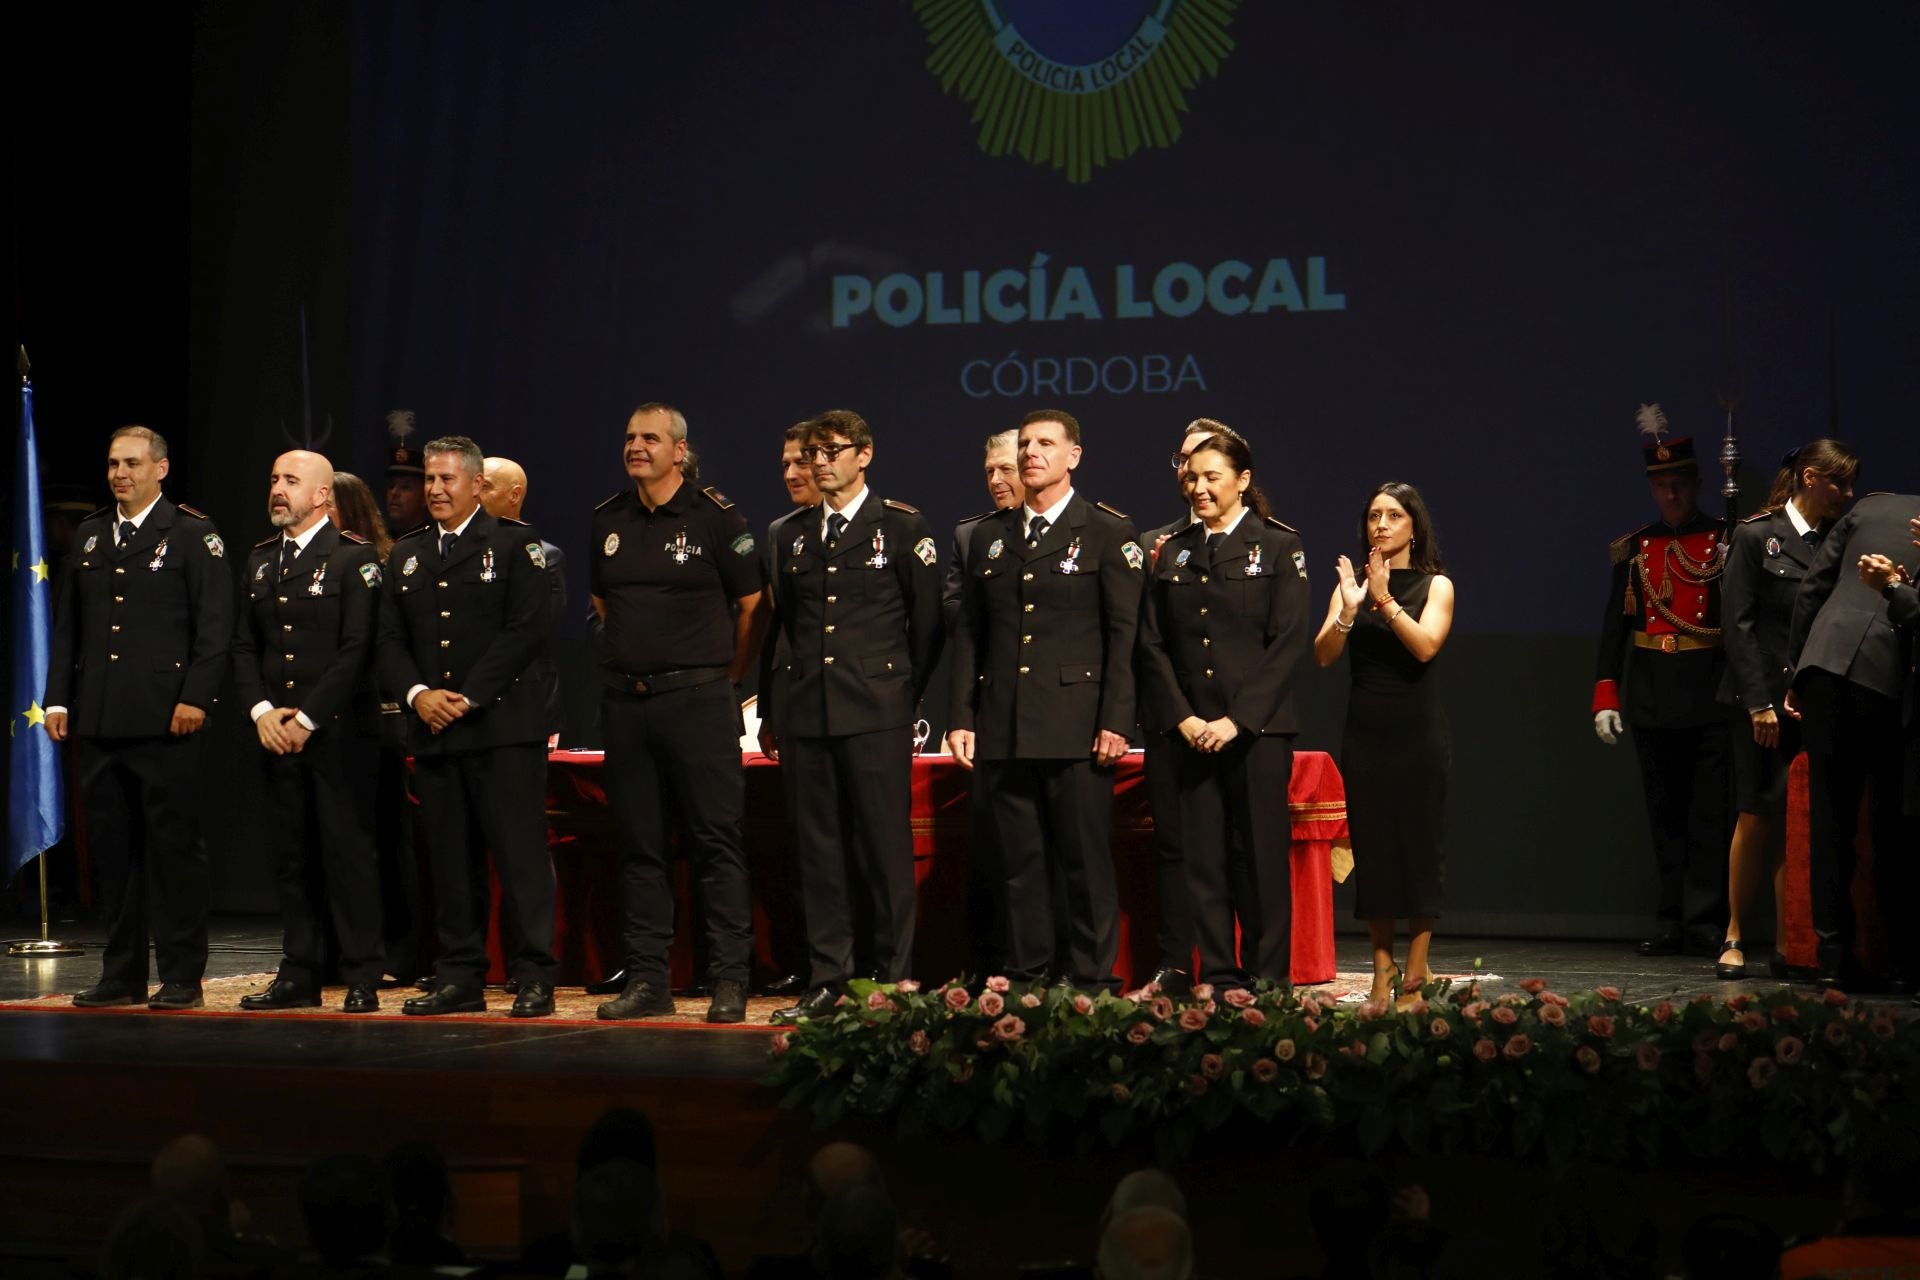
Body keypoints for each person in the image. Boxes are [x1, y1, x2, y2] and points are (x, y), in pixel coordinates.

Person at [945, 408, 1145, 991]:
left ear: (1072, 456)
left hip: (1078, 726)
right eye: (1027, 444)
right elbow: (971, 636)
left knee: (1083, 863)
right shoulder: (989, 535)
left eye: (1046, 444)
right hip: (1005, 726)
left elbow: (1123, 635)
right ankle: (1027, 975)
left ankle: (1089, 978)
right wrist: (961, 715)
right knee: (1020, 865)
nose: (1033, 453)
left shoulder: (1109, 531)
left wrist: (1116, 719)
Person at [760, 410, 944, 1021]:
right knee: (818, 852)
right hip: (807, 711)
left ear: (863, 455)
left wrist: (897, 692)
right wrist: (773, 707)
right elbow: (782, 627)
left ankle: (893, 984)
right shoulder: (787, 532)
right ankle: (828, 980)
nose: (819, 462)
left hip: (876, 711)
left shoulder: (900, 525)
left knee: (884, 849)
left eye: (832, 450)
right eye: (812, 452)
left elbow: (927, 625)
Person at [44, 425, 234, 1011]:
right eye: (112, 464)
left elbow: (214, 625)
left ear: (161, 469)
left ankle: (181, 975)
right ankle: (121, 972)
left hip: (165, 718)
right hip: (101, 718)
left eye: (130, 463)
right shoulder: (94, 536)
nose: (119, 473)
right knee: (112, 853)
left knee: (174, 852)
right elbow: (68, 626)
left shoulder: (191, 535)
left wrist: (197, 698)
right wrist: (57, 698)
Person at [591, 402, 769, 1024]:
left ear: (680, 450)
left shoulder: (716, 517)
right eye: (629, 436)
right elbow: (603, 600)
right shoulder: (606, 519)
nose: (636, 446)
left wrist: (725, 677)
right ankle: (648, 981)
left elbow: (753, 605)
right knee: (640, 847)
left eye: (650, 438)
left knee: (717, 843)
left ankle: (729, 981)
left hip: (697, 702)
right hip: (626, 703)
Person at [378, 434, 559, 1017]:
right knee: (450, 862)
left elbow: (526, 630)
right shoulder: (406, 554)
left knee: (520, 858)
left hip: (503, 728)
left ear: (477, 484)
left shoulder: (514, 546)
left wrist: (468, 696)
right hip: (433, 729)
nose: (434, 489)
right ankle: (459, 975)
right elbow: (388, 640)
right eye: (429, 479)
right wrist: (418, 694)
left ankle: (533, 974)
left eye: (446, 479)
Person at [1138, 432, 1310, 990]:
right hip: (1191, 732)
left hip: (1256, 731)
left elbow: (1286, 643)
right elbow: (1152, 642)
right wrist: (1184, 717)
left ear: (1243, 481)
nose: (1200, 486)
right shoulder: (1173, 549)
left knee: (1259, 859)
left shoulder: (1280, 547)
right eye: (1193, 476)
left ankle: (1267, 979)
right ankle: (1218, 973)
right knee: (1201, 861)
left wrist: (1236, 720)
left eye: (1213, 476)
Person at [232, 450, 387, 1013]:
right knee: (291, 858)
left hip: (338, 733)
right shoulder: (257, 561)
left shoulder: (354, 559)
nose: (278, 489)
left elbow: (356, 650)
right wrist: (261, 712)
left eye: (291, 481)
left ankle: (363, 972)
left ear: (323, 495)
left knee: (347, 854)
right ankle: (299, 971)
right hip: (277, 734)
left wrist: (308, 717)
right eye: (274, 479)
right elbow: (245, 646)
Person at [1713, 439, 1858, 980]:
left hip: (1813, 703)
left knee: (1801, 823)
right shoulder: (1757, 536)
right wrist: (1757, 704)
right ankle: (1732, 934)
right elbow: (1739, 626)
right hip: (1762, 704)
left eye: (1849, 484)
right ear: (1809, 478)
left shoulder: (1839, 542)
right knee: (1756, 816)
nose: (1847, 494)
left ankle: (1787, 941)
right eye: (1838, 483)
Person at [1592, 406, 1730, 957]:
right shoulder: (1635, 549)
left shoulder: (1726, 540)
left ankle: (1706, 923)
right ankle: (1670, 918)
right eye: (1661, 486)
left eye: (1678, 485)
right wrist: (1606, 693)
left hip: (1710, 694)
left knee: (1708, 819)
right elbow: (1614, 630)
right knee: (1664, 819)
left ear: (1696, 484)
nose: (1670, 495)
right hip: (1652, 695)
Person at [1313, 482, 1454, 1006]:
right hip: (1365, 732)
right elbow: (1324, 655)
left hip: (1417, 733)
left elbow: (1425, 648)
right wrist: (1350, 609)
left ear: (1414, 525)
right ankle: (1381, 972)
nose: (1381, 525)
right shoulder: (1352, 586)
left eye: (1393, 515)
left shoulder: (1436, 585)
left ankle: (1416, 972)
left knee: (1419, 849)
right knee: (1372, 853)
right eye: (1374, 515)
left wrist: (1385, 599)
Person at [1134, 418, 1253, 997]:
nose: (1191, 474)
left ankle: (1241, 969)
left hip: (1237, 724)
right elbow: (1145, 640)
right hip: (1171, 723)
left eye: (1204, 463)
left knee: (1237, 848)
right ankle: (1177, 964)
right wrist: (1179, 714)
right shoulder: (1156, 544)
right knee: (1177, 848)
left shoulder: (1262, 543)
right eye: (1183, 463)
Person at [1784, 489, 1920, 991]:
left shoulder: (1869, 506)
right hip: (1885, 676)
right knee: (1890, 826)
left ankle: (1832, 958)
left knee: (1830, 819)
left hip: (1824, 661)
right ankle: (1902, 963)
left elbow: (1812, 587)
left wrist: (1797, 672)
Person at [330, 470, 420, 987]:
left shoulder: (382, 565)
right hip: (329, 724)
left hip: (381, 721)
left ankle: (400, 951)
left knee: (387, 842)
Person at [942, 429, 1023, 980]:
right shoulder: (973, 537)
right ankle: (988, 965)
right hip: (993, 705)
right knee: (992, 851)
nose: (997, 480)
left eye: (1008, 469)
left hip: (1055, 710)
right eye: (990, 470)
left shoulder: (1091, 530)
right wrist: (961, 715)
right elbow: (959, 622)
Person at [480, 454, 568, 744]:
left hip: (525, 698)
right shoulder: (450, 554)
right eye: (474, 484)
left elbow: (537, 630)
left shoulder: (544, 557)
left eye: (486, 486)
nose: (475, 494)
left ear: (514, 494)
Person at [385, 409, 428, 534]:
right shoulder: (378, 541)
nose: (394, 493)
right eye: (391, 486)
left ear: (424, 498)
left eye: (405, 487)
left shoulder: (435, 543)